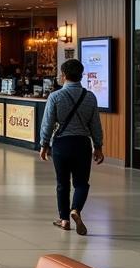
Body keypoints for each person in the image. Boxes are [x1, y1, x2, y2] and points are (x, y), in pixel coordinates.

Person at [39, 59, 104, 234]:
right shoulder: (90, 97)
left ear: (64, 75)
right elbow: (95, 124)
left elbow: (48, 123)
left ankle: (65, 219)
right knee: (82, 183)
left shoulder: (55, 96)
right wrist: (98, 146)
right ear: (81, 75)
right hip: (82, 144)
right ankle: (75, 210)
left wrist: (44, 144)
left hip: (61, 144)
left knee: (62, 183)